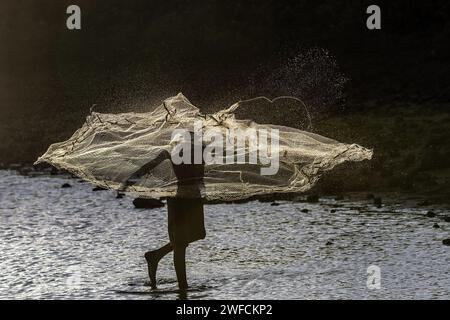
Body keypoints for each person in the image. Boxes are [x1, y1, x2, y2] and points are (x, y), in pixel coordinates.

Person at [120, 133, 205, 291]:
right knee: (180, 244)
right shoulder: (176, 154)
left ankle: (156, 255)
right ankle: (183, 288)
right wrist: (129, 181)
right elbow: (149, 166)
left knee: (198, 234)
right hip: (181, 200)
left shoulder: (198, 152)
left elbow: (200, 177)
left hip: (194, 198)